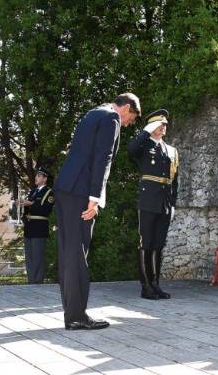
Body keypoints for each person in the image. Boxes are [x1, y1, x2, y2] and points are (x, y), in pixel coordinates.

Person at [54, 93, 141, 330]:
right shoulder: (111, 118)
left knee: (68, 253)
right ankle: (76, 316)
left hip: (65, 188)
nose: (129, 123)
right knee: (77, 253)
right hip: (81, 192)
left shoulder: (92, 113)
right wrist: (94, 198)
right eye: (131, 117)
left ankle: (72, 313)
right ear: (126, 108)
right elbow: (103, 158)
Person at [127, 109, 180, 300]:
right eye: (159, 124)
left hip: (165, 202)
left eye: (165, 124)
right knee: (146, 243)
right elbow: (131, 149)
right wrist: (146, 132)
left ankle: (156, 283)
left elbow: (174, 181)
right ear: (151, 126)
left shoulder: (172, 151)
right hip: (148, 200)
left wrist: (172, 204)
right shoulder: (143, 145)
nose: (163, 127)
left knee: (158, 244)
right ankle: (145, 286)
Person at [22, 166, 54, 284]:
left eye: (38, 176)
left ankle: (38, 281)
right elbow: (28, 210)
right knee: (29, 257)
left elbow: (46, 210)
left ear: (45, 179)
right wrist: (22, 205)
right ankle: (31, 281)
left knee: (38, 257)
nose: (36, 177)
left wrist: (31, 204)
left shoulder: (49, 192)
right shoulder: (33, 191)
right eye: (36, 175)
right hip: (29, 227)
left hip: (39, 227)